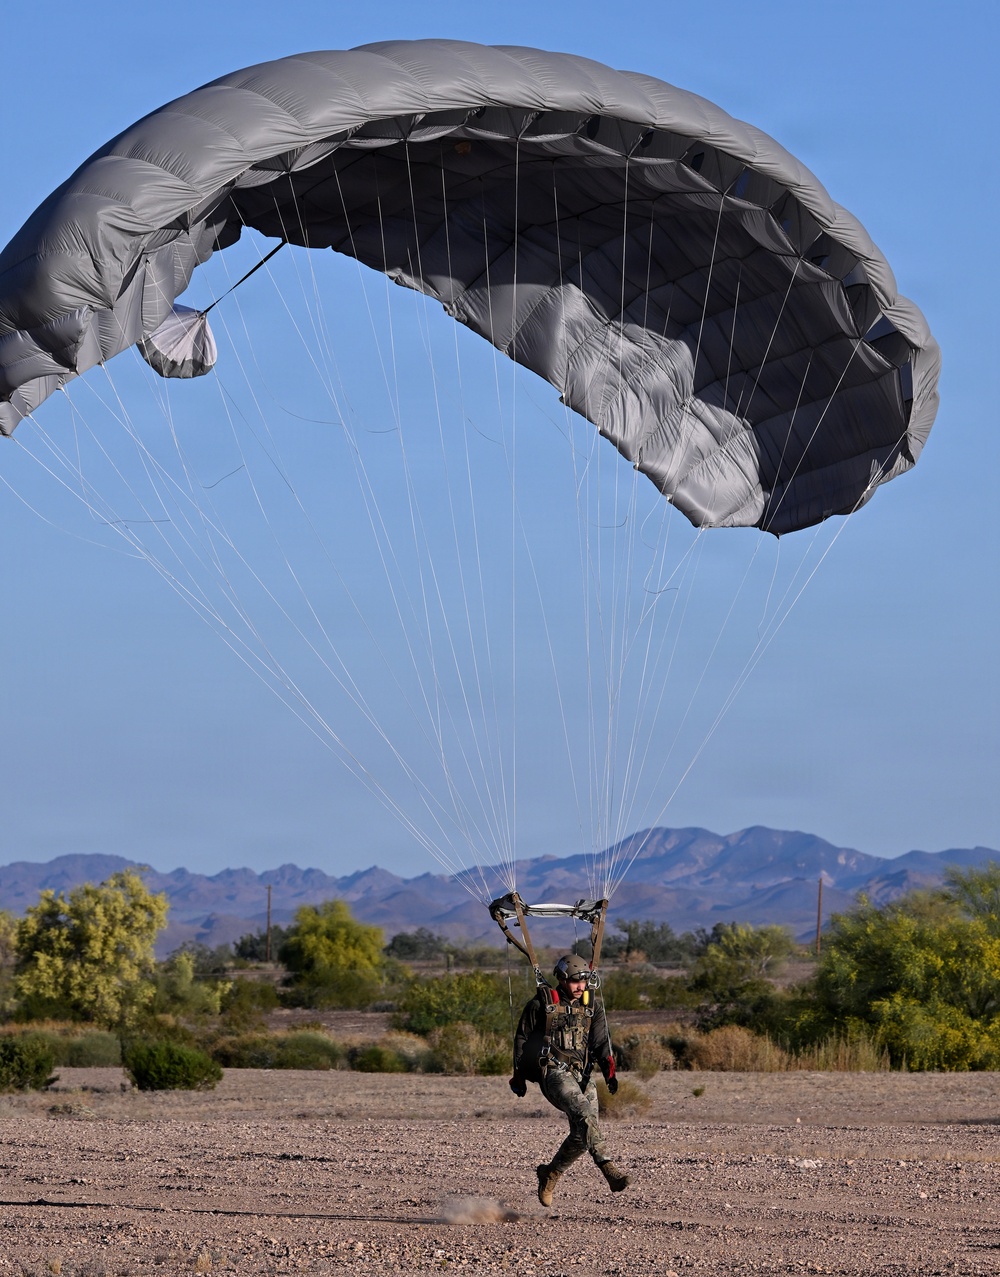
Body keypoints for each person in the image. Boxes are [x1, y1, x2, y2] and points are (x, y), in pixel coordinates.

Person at [509, 953, 630, 1206]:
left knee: (583, 1134)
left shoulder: (592, 1006)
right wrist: (519, 1075)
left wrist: (609, 1073)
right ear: (562, 980)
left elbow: (601, 1042)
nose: (580, 987)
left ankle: (550, 1173)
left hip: (582, 1074)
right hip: (553, 1072)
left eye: (584, 981)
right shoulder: (540, 1004)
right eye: (575, 981)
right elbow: (521, 1039)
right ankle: (608, 1168)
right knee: (585, 1117)